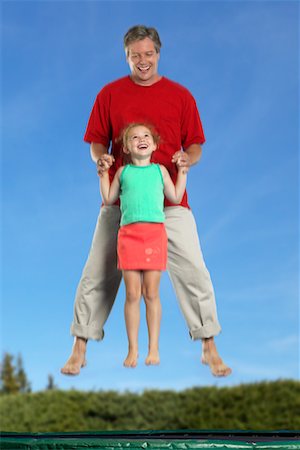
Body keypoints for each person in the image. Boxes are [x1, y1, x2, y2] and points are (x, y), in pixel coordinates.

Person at [61, 25, 231, 377]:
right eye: (135, 55)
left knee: (195, 272)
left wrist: (188, 159)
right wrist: (101, 161)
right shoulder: (109, 94)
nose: (143, 61)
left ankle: (209, 345)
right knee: (96, 271)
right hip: (123, 206)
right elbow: (96, 142)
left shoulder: (181, 96)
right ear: (126, 56)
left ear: (158, 53)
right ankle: (80, 346)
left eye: (148, 53)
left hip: (170, 206)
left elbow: (196, 144)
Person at [100, 122, 187, 367]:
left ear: (155, 144)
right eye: (134, 137)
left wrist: (182, 172)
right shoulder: (122, 173)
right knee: (132, 294)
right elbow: (108, 199)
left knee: (151, 293)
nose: (141, 138)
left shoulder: (160, 171)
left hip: (154, 235)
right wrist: (102, 175)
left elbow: (176, 197)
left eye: (146, 135)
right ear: (126, 147)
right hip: (128, 236)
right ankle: (132, 350)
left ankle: (154, 349)